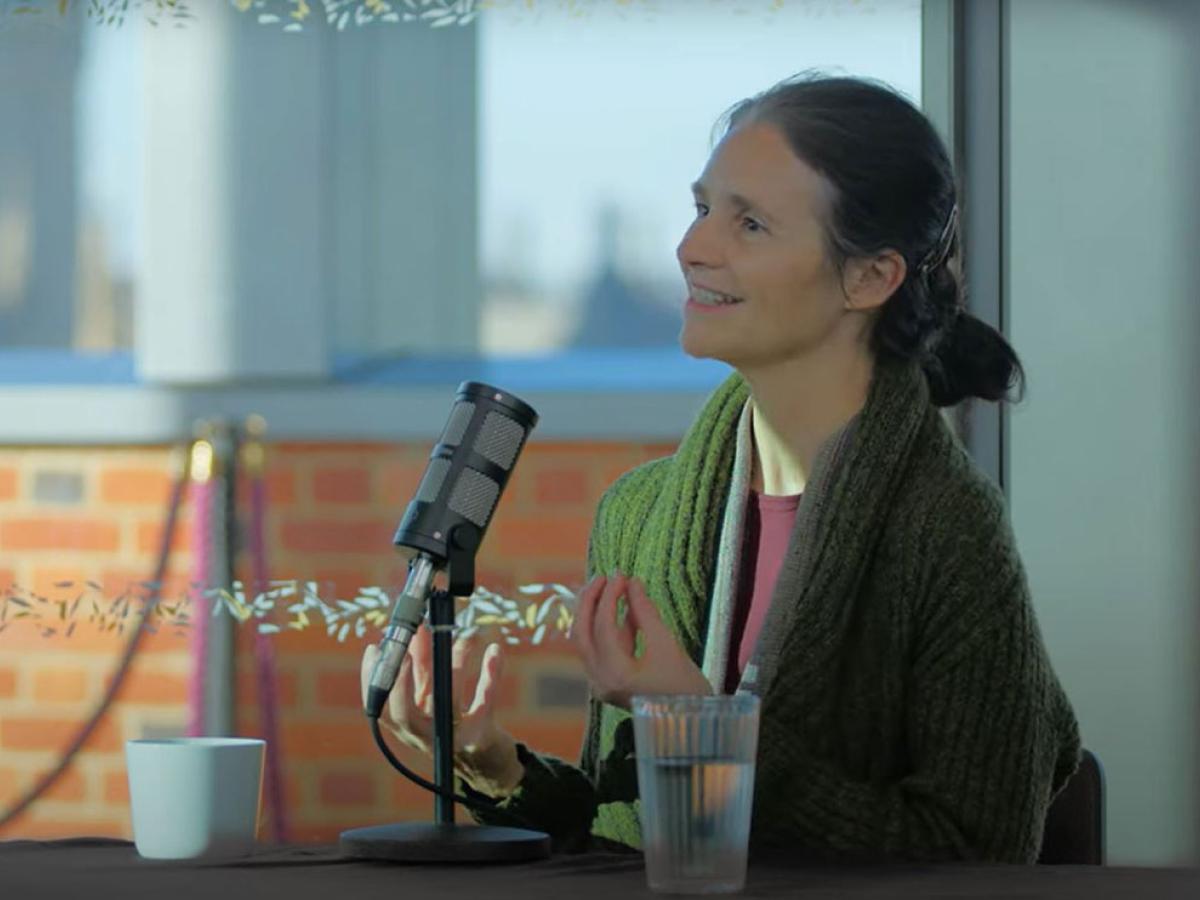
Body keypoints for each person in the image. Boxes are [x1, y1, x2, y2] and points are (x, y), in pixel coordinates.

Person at [360, 71, 1081, 864]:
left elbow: (980, 856)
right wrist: (494, 763)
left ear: (871, 277)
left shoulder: (946, 531)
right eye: (704, 210)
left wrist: (697, 723)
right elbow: (626, 832)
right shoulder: (640, 514)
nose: (691, 249)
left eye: (752, 226)